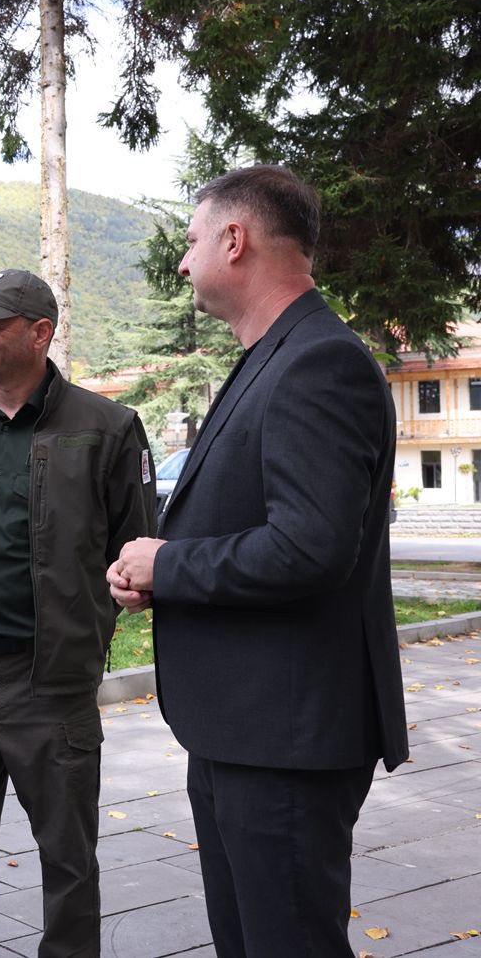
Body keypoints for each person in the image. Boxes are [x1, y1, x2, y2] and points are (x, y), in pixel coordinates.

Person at [107, 165, 407, 956]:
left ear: (234, 240)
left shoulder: (318, 362)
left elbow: (309, 548)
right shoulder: (278, 353)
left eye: (192, 240)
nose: (183, 262)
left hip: (285, 742)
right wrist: (161, 573)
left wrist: (169, 565)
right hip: (246, 732)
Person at [0, 268, 156, 956]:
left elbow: (137, 552)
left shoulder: (109, 428)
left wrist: (94, 620)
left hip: (51, 684)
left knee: (68, 859)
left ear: (40, 332)